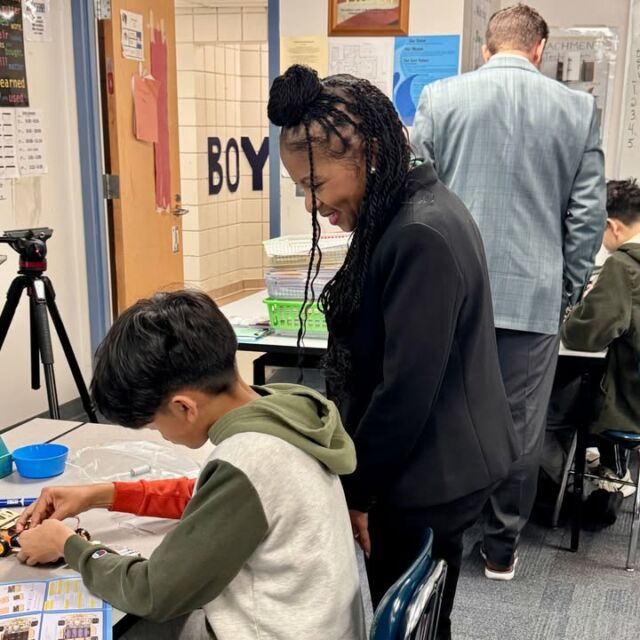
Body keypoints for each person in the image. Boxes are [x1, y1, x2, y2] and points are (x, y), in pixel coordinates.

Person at [268, 64, 517, 640]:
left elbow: (405, 392)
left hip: (429, 473)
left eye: (317, 185)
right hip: (436, 459)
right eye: (301, 189)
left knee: (407, 622)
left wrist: (358, 492)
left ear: (370, 153)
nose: (311, 204)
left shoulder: (417, 232)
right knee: (424, 618)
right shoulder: (406, 207)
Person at [15, 290, 366, 640]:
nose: (161, 435)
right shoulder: (285, 411)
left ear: (184, 407)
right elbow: (208, 500)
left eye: (154, 425)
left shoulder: (250, 458)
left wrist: (68, 546)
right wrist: (99, 494)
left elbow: (155, 593)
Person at [411, 3, 606, 579]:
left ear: (486, 49)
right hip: (533, 294)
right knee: (520, 425)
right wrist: (565, 289)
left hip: (449, 293)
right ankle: (500, 548)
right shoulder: (577, 108)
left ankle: (439, 533)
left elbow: (415, 195)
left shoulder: (441, 98)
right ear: (541, 50)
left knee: (444, 410)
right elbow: (587, 216)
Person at [562, 179, 640, 484]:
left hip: (627, 403)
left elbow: (583, 335)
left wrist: (579, 310)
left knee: (544, 409)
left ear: (611, 225)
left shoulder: (623, 266)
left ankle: (559, 484)